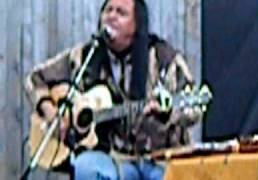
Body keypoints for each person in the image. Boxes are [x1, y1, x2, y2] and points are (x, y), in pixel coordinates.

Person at [25, 0, 201, 179]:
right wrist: (50, 110)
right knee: (85, 167)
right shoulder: (86, 56)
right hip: (113, 158)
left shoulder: (164, 58)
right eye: (108, 10)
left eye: (121, 13)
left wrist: (169, 112)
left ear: (137, 24)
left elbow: (194, 109)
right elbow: (35, 79)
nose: (112, 16)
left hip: (160, 159)